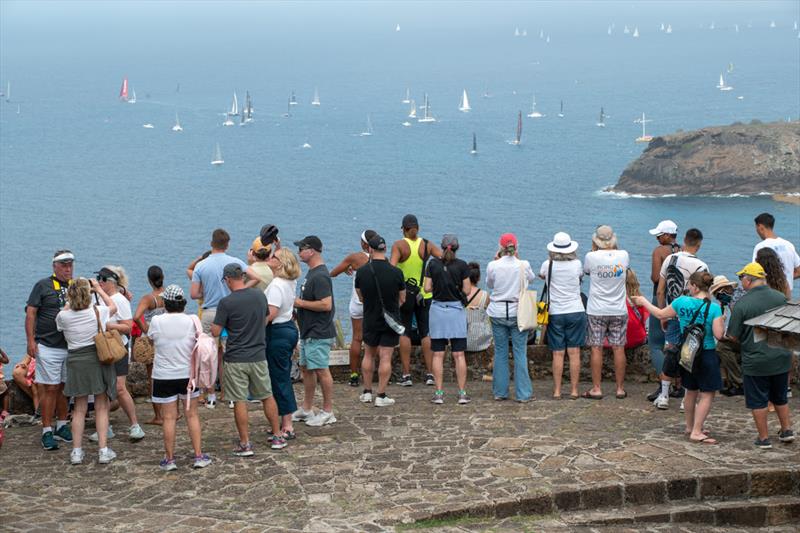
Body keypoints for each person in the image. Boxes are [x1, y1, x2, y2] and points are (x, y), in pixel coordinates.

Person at [634, 272, 724, 444]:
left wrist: (644, 301)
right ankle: (697, 431)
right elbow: (719, 335)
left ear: (696, 287)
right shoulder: (714, 308)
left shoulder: (681, 302)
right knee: (707, 394)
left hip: (687, 353)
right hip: (706, 353)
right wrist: (722, 320)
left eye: (690, 285)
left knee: (690, 391)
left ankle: (690, 427)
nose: (688, 288)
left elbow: (660, 314)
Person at [212, 263, 286, 455]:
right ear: (242, 276)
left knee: (239, 400)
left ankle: (245, 443)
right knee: (267, 395)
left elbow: (215, 331)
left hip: (236, 357)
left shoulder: (226, 303)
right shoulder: (259, 296)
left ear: (228, 279)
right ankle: (277, 436)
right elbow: (265, 317)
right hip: (259, 355)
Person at [726, 262, 795, 449]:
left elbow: (732, 335)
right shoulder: (781, 298)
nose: (741, 282)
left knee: (758, 400)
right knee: (780, 396)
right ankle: (786, 430)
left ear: (749, 280)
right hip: (781, 357)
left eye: (742, 278)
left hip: (756, 360)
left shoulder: (742, 304)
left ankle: (764, 438)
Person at [147, 284, 211, 470]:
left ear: (165, 302)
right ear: (182, 303)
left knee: (169, 418)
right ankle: (198, 456)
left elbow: (151, 340)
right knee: (192, 415)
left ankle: (169, 459)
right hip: (188, 375)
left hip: (163, 375)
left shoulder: (157, 321)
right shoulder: (191, 321)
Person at [55, 278, 118, 464]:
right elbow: (113, 305)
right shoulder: (96, 312)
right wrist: (98, 289)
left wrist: (70, 299)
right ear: (88, 294)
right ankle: (103, 450)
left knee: (79, 408)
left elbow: (63, 315)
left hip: (75, 361)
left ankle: (76, 451)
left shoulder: (63, 316)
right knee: (101, 406)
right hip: (95, 359)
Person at [189, 229, 247, 408]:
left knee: (208, 356)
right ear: (227, 244)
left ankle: (211, 395)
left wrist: (205, 292)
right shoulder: (235, 262)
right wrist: (241, 290)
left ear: (211, 243)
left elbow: (193, 294)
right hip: (232, 310)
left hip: (210, 313)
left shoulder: (201, 266)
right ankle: (230, 395)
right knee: (230, 354)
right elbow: (256, 277)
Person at [653, 228, 708, 409]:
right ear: (699, 245)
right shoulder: (701, 267)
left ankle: (664, 396)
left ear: (684, 240)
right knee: (689, 357)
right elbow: (704, 297)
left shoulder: (670, 259)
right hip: (692, 319)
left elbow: (661, 289)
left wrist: (663, 312)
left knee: (670, 353)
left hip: (673, 313)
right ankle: (686, 398)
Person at [26, 249, 75, 450]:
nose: (68, 268)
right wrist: (30, 341)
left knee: (64, 387)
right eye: (63, 265)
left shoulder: (76, 286)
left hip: (70, 346)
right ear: (54, 266)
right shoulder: (42, 285)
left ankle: (62, 425)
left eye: (70, 264)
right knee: (50, 388)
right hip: (48, 345)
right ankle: (46, 430)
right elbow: (31, 313)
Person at [92, 266, 144, 442]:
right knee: (104, 390)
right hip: (104, 348)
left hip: (118, 348)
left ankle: (135, 425)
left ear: (110, 282)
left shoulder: (119, 301)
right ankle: (105, 427)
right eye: (98, 278)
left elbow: (127, 327)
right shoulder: (100, 297)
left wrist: (106, 325)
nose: (99, 282)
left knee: (120, 388)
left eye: (102, 279)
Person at [390, 214, 442, 387]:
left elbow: (392, 269)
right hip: (425, 294)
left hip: (405, 295)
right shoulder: (426, 245)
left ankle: (406, 375)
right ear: (418, 228)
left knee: (404, 332)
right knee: (425, 332)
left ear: (403, 229)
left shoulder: (399, 245)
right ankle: (430, 374)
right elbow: (442, 258)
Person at [355, 233, 406, 406]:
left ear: (370, 249)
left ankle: (367, 391)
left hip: (370, 318)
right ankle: (381, 395)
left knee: (368, 354)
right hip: (390, 319)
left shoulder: (362, 272)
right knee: (385, 357)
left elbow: (360, 297)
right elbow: (402, 299)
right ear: (384, 249)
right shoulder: (396, 272)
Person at [292, 236, 337, 426]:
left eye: (301, 248)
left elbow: (326, 304)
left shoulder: (320, 276)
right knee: (306, 368)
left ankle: (328, 411)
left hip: (319, 331)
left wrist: (300, 303)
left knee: (321, 369)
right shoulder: (312, 273)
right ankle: (307, 408)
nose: (299, 252)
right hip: (308, 330)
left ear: (312, 251)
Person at [486, 233, 535, 402]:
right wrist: (519, 260)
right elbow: (532, 279)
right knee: (520, 352)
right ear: (516, 247)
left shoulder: (493, 265)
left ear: (500, 248)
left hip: (498, 311)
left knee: (500, 352)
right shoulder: (524, 264)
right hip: (518, 312)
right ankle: (523, 394)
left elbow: (490, 284)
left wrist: (496, 260)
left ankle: (500, 391)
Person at [582, 225, 630, 400]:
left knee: (596, 347)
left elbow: (586, 271)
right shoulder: (623, 255)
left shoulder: (591, 256)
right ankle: (619, 388)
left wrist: (594, 249)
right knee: (619, 348)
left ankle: (597, 388)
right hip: (618, 308)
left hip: (596, 309)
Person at [423, 234, 471, 405]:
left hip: (437, 311)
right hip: (456, 311)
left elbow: (427, 288)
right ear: (457, 248)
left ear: (442, 248)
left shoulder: (433, 264)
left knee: (438, 353)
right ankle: (462, 393)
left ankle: (439, 393)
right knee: (459, 354)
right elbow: (467, 291)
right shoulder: (462, 266)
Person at [539, 232, 585, 400]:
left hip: (556, 312)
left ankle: (557, 390)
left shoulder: (548, 264)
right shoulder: (577, 264)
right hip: (575, 310)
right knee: (574, 352)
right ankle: (574, 390)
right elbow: (580, 276)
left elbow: (542, 275)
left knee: (557, 353)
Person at [330, 230, 375, 387]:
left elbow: (333, 273)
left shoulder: (355, 258)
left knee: (357, 338)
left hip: (357, 303)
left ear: (363, 243)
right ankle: (372, 374)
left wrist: (347, 268)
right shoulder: (381, 259)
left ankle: (354, 375)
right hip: (373, 304)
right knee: (374, 339)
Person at [264, 248, 301, 439]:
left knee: (279, 378)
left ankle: (287, 424)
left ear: (280, 263)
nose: (269, 258)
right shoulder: (290, 282)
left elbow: (271, 313)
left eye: (274, 257)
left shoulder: (277, 285)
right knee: (280, 377)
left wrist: (253, 326)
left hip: (276, 332)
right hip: (288, 328)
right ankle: (281, 421)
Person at [646, 220, 680, 401]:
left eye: (660, 235)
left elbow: (654, 277)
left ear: (667, 235)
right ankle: (680, 385)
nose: (658, 238)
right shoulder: (682, 250)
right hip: (679, 302)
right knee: (676, 344)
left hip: (660, 299)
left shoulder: (659, 251)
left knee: (655, 345)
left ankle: (663, 384)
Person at [132, 265, 166, 425]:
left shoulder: (149, 298)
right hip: (167, 336)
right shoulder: (169, 294)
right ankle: (175, 412)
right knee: (168, 374)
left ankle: (159, 415)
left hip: (153, 338)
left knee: (153, 376)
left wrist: (146, 329)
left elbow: (137, 316)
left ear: (149, 280)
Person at [709, 275, 743, 397]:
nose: (718, 297)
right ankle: (733, 382)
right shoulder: (738, 294)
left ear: (725, 290)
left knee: (721, 348)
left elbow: (738, 325)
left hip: (746, 337)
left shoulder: (734, 302)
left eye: (717, 294)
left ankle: (739, 382)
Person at [752, 212, 800, 297]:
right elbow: (799, 271)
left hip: (768, 295)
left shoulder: (760, 247)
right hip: (787, 294)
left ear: (760, 227)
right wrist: (784, 279)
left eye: (756, 228)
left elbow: (755, 273)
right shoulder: (788, 244)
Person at [464, 262, 492, 355]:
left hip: (461, 339)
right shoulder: (485, 295)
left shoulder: (459, 293)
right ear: (478, 278)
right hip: (480, 341)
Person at [622, 269, 649, 350]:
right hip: (638, 339)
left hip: (620, 340)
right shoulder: (640, 300)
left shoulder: (615, 300)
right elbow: (643, 321)